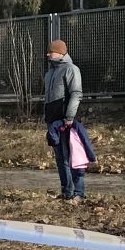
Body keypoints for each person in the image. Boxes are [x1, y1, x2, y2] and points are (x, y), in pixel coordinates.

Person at [43, 40, 83, 202]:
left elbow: (76, 93)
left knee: (72, 157)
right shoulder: (49, 73)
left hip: (66, 120)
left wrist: (69, 117)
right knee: (60, 158)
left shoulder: (71, 69)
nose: (48, 54)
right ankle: (67, 192)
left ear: (60, 53)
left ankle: (77, 193)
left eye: (51, 52)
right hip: (52, 121)